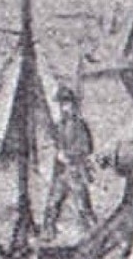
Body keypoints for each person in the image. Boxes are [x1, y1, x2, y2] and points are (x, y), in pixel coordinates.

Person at [42, 86, 97, 242]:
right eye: (62, 104)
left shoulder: (80, 126)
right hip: (60, 172)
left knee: (82, 205)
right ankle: (48, 235)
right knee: (53, 203)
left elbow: (86, 148)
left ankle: (92, 235)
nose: (64, 107)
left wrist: (69, 156)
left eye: (67, 103)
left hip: (76, 170)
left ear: (73, 105)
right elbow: (55, 144)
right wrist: (57, 154)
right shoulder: (59, 126)